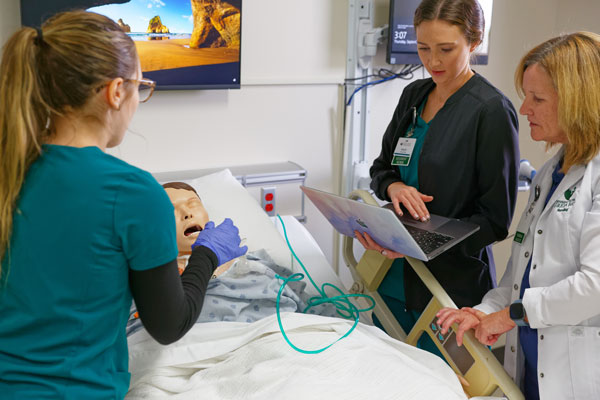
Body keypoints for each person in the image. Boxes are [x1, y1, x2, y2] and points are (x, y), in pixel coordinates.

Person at [0, 11, 246, 399]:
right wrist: (207, 255)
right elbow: (169, 324)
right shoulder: (131, 191)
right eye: (141, 87)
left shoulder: (9, 170)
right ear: (116, 92)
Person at [437, 32, 600, 400]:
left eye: (538, 98)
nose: (524, 109)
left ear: (579, 102)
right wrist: (483, 311)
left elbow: (595, 287)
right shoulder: (549, 173)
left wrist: (511, 315)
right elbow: (518, 277)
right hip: (531, 372)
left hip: (580, 379)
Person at [355, 0, 519, 353]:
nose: (432, 62)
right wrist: (394, 186)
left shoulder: (490, 112)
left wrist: (423, 242)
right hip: (392, 277)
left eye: (446, 49)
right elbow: (381, 169)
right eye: (423, 48)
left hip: (449, 289)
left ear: (474, 41)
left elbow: (495, 221)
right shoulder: (414, 95)